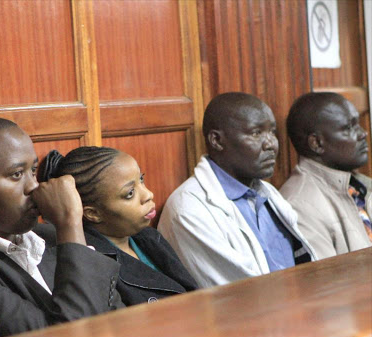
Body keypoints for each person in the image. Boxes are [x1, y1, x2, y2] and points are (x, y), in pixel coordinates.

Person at [0, 118, 123, 337]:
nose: (34, 186)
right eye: (17, 174)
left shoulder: (49, 237)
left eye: (33, 171)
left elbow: (118, 318)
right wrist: (70, 223)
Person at [158, 92, 316, 288]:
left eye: (272, 132)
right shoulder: (188, 209)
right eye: (256, 133)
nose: (271, 144)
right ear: (216, 140)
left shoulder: (267, 192)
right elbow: (241, 293)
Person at [39, 147, 198, 305]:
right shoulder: (94, 263)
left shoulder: (148, 236)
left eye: (141, 180)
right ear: (93, 213)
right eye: (130, 193)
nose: (148, 194)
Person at [280, 92, 372, 258]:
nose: (362, 133)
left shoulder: (358, 185)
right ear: (316, 143)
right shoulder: (299, 205)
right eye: (349, 128)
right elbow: (327, 282)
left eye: (357, 124)